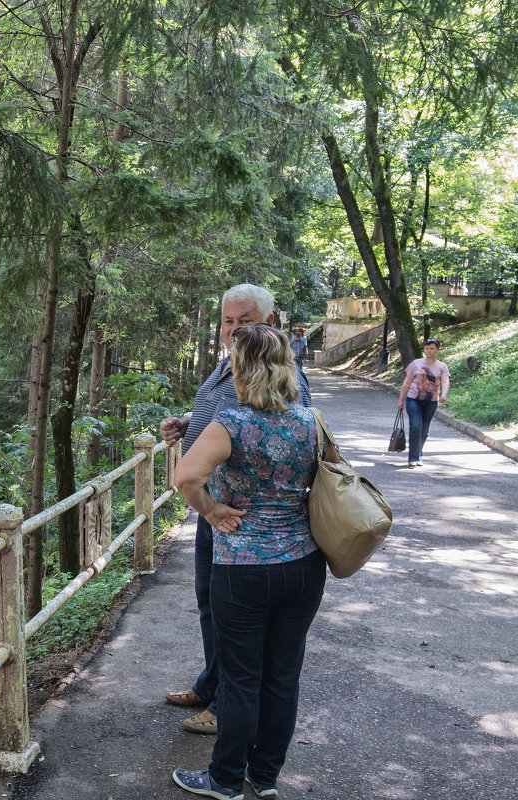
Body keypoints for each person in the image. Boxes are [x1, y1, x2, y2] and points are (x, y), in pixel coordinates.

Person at [170, 323, 333, 800]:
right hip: (304, 565)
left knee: (242, 679)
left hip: (243, 567)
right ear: (286, 367)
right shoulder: (311, 421)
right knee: (283, 675)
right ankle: (264, 776)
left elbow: (185, 477)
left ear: (241, 369)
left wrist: (213, 511)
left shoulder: (232, 424)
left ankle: (223, 781)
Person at [159, 284, 311, 736]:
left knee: (236, 619)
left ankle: (227, 703)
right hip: (216, 511)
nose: (233, 329)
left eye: (244, 321)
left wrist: (211, 509)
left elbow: (283, 431)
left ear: (269, 321)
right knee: (208, 604)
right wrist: (188, 425)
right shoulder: (229, 363)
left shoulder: (281, 373)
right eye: (228, 320)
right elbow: (228, 423)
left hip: (240, 520)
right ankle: (212, 682)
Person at [396, 338, 449, 468]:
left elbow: (445, 381)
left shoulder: (442, 366)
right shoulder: (416, 364)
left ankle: (418, 453)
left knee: (424, 430)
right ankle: (413, 458)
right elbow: (407, 383)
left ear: (437, 350)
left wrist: (444, 393)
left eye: (432, 348)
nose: (429, 351)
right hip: (413, 399)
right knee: (416, 427)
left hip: (431, 401)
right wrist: (401, 400)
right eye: (427, 348)